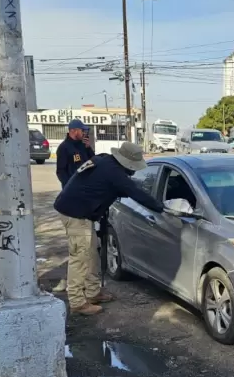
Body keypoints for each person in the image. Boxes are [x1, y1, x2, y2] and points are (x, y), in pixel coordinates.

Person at [54, 142, 164, 316]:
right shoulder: (114, 173)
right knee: (80, 257)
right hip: (75, 214)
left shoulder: (105, 160)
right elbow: (135, 193)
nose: (133, 171)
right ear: (126, 163)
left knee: (91, 254)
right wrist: (161, 208)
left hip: (80, 212)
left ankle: (92, 292)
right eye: (132, 167)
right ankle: (77, 302)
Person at [56, 119, 94, 189]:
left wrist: (88, 148)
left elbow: (93, 161)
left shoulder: (83, 145)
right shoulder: (64, 147)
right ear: (75, 131)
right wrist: (69, 186)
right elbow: (61, 171)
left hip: (85, 187)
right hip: (72, 190)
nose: (84, 133)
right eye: (82, 130)